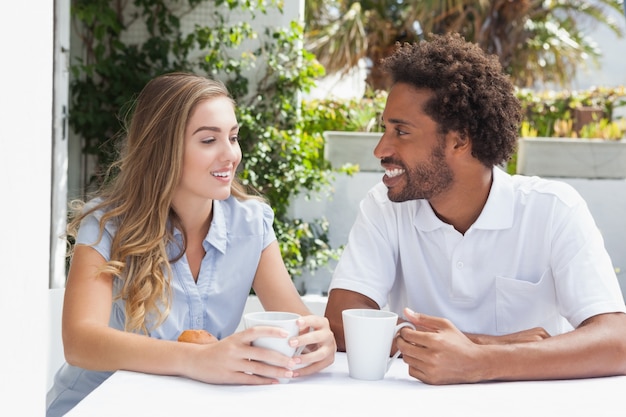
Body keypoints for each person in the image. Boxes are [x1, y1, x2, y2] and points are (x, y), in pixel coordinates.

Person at [324, 33, 626, 385]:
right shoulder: (386, 206)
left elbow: (616, 340)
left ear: (460, 139)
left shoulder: (553, 209)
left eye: (401, 132)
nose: (380, 149)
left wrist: (481, 361)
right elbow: (340, 321)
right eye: (385, 129)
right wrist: (486, 345)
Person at [47, 72, 336, 416]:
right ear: (163, 148)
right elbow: (80, 342)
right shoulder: (107, 226)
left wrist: (317, 339)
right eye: (208, 140)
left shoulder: (251, 224)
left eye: (233, 137)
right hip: (98, 407)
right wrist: (198, 359)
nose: (231, 155)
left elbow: (295, 321)